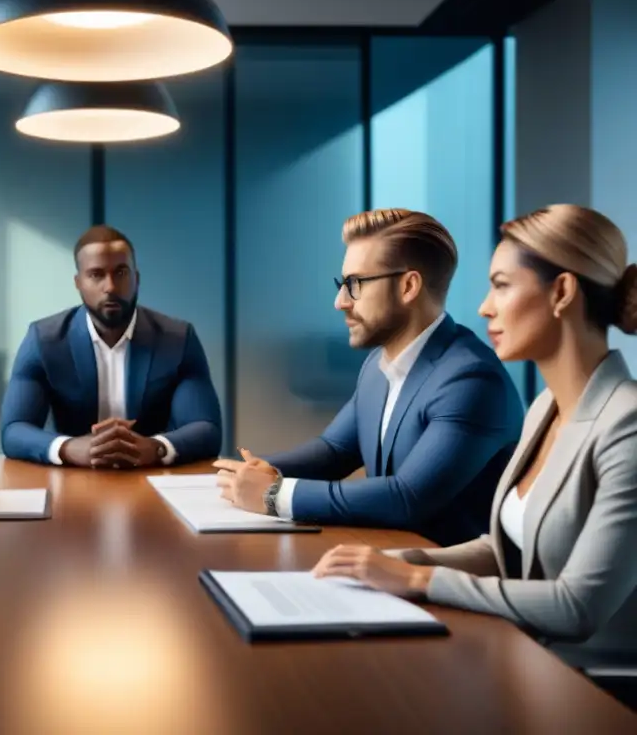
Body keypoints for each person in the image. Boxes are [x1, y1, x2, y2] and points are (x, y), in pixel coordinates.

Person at [312, 204, 637, 684]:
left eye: (502, 286)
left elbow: (575, 607)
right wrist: (408, 560)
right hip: (520, 655)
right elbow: (512, 548)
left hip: (587, 684)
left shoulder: (626, 426)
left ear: (562, 292)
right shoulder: (546, 407)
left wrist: (419, 579)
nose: (485, 307)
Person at [215, 209, 524, 546]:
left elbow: (407, 498)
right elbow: (334, 451)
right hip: (386, 562)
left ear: (408, 286)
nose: (340, 302)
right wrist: (255, 471)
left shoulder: (471, 379)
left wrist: (275, 495)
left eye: (355, 284)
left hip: (449, 583)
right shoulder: (379, 364)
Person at [1, 225, 222, 468]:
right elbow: (14, 430)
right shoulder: (44, 340)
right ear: (78, 282)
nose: (110, 287)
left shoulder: (178, 339)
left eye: (121, 273)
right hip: (74, 480)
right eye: (96, 274)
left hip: (155, 478)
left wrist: (156, 447)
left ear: (136, 278)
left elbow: (206, 428)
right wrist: (69, 447)